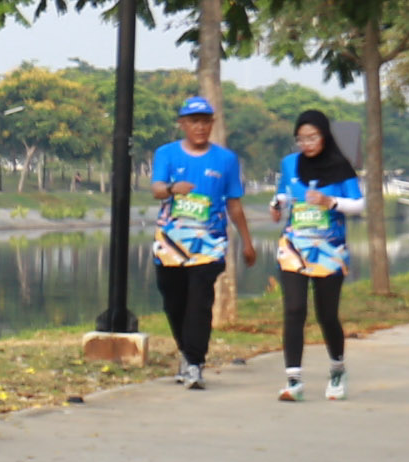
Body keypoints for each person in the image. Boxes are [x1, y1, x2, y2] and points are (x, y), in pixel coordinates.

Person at [146, 97, 254, 389]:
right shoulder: (166, 153)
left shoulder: (226, 160)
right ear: (182, 124)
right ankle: (186, 352)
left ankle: (194, 363)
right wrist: (173, 188)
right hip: (171, 243)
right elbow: (156, 189)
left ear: (212, 124)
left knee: (199, 302)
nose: (200, 127)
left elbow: (234, 204)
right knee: (174, 301)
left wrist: (247, 242)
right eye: (194, 121)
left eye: (205, 121)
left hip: (209, 244)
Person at [272, 110, 367, 402]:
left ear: (324, 136)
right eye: (301, 139)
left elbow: (358, 204)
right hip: (294, 246)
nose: (307, 144)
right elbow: (284, 193)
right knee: (294, 309)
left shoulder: (340, 167)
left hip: (329, 250)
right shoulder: (290, 163)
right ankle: (293, 380)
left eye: (312, 137)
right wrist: (277, 203)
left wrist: (331, 201)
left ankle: (337, 369)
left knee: (327, 315)